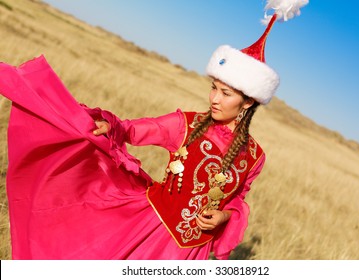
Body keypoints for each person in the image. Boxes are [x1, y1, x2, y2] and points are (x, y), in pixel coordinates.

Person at [0, 0, 307, 259]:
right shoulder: (185, 124)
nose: (214, 98)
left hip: (193, 254)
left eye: (225, 94)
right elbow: (136, 130)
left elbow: (237, 199)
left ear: (248, 102)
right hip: (150, 232)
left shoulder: (255, 156)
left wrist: (224, 217)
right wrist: (112, 126)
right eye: (214, 88)